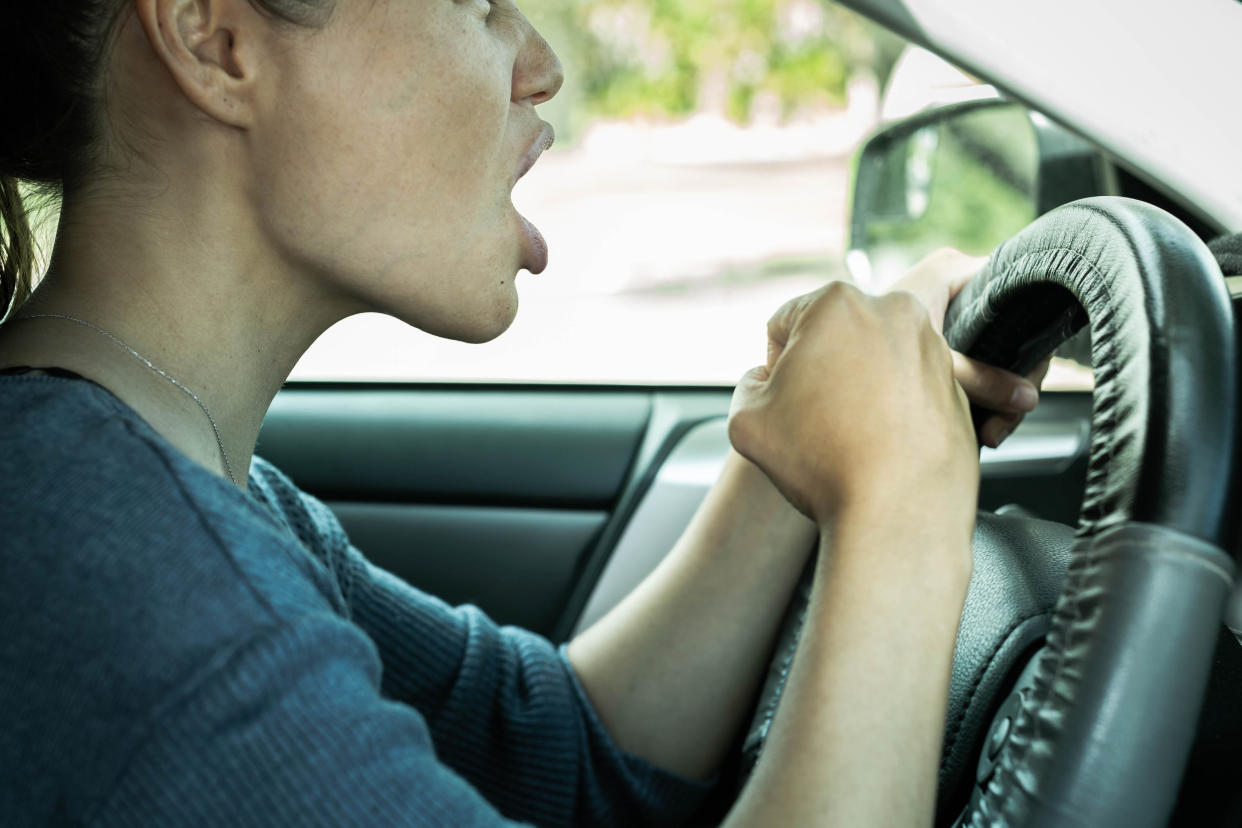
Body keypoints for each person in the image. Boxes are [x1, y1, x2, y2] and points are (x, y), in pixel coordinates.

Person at [0, 0, 1045, 825]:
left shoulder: (150, 499)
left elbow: (558, 756)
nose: (541, 64)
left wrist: (803, 443)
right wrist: (899, 509)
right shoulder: (114, 572)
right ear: (215, 38)